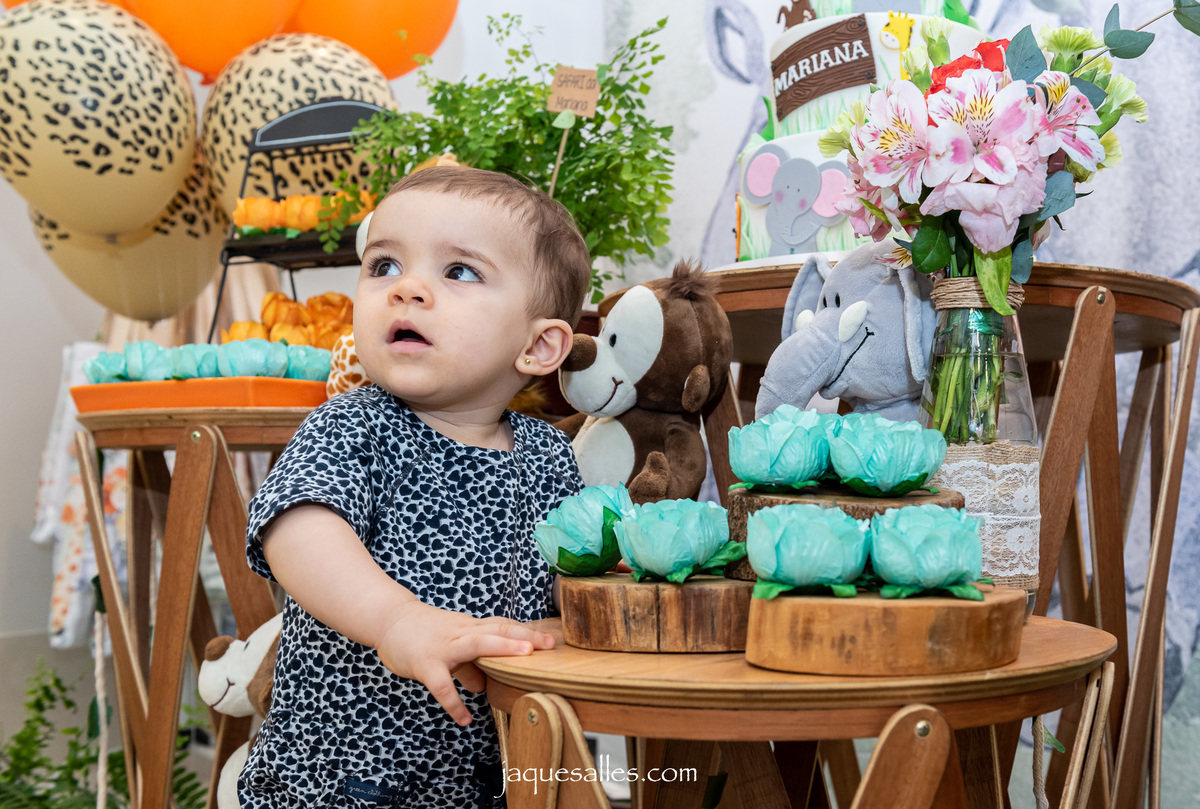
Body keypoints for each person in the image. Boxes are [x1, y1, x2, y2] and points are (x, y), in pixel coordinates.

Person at [238, 165, 593, 808]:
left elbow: (569, 578)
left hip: (489, 778)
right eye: (383, 266)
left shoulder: (547, 455)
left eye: (459, 272)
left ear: (540, 346)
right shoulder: (354, 425)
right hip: (341, 779)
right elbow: (297, 530)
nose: (407, 289)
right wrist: (398, 621)